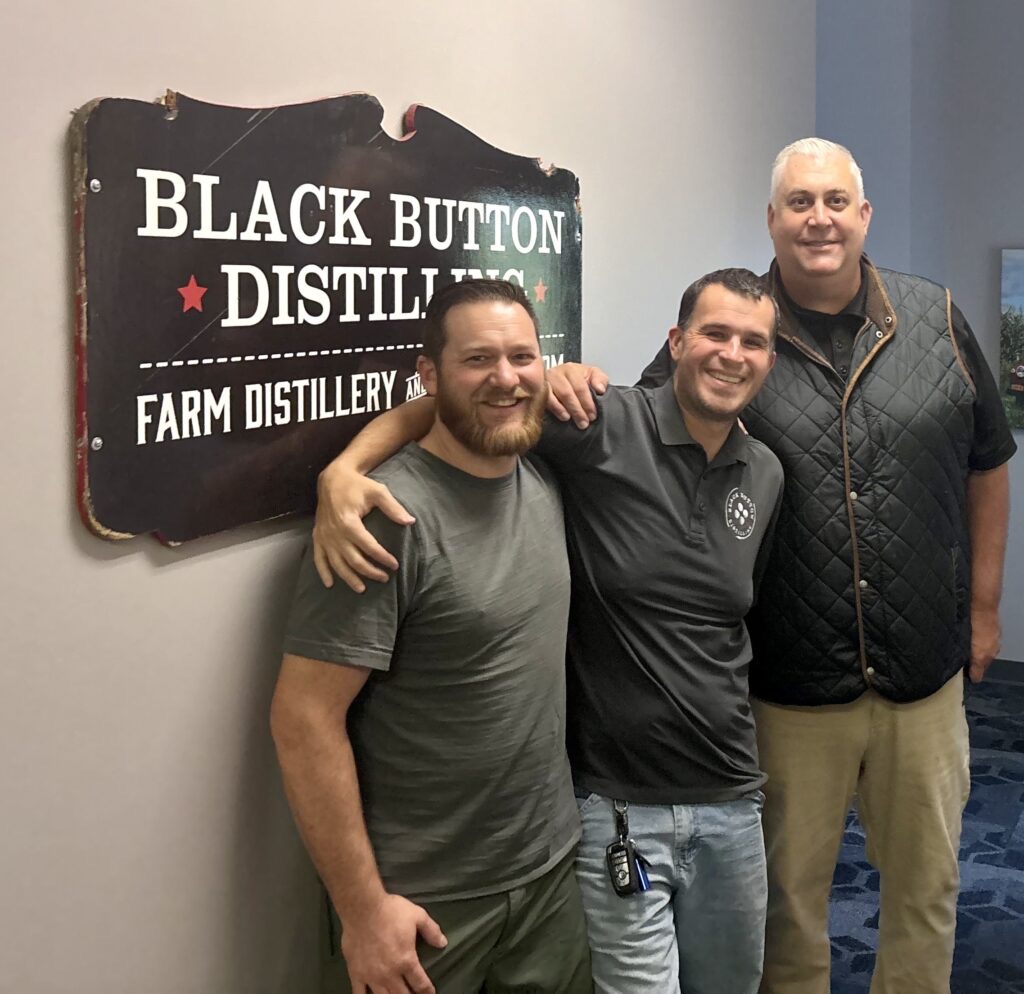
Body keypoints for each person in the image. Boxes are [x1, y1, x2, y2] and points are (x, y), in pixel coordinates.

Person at [547, 138, 1018, 994]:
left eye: (836, 201)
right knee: (787, 907)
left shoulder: (939, 318)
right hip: (789, 687)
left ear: (864, 215)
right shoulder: (737, 332)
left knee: (928, 891)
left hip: (925, 677)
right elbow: (652, 421)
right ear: (772, 219)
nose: (819, 218)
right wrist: (568, 381)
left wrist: (984, 609)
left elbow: (988, 462)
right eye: (800, 202)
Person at [312, 268, 785, 993]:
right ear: (676, 341)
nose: (732, 354)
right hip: (615, 805)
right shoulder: (599, 424)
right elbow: (459, 405)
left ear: (769, 360)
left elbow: (734, 618)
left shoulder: (766, 472)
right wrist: (346, 467)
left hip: (730, 795)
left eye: (752, 342)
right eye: (714, 333)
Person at [271, 278, 591, 994]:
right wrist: (363, 911)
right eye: (477, 359)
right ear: (429, 374)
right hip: (425, 902)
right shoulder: (382, 518)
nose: (506, 378)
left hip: (548, 877)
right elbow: (303, 719)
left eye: (522, 357)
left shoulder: (544, 479)